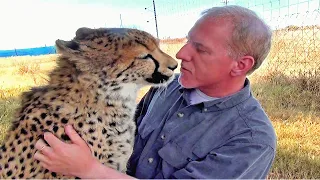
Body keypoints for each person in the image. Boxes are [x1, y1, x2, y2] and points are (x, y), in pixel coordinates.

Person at [34, 5, 277, 179]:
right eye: (188, 41)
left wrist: (90, 170)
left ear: (240, 65)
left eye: (200, 49)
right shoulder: (168, 88)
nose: (181, 54)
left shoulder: (251, 139)